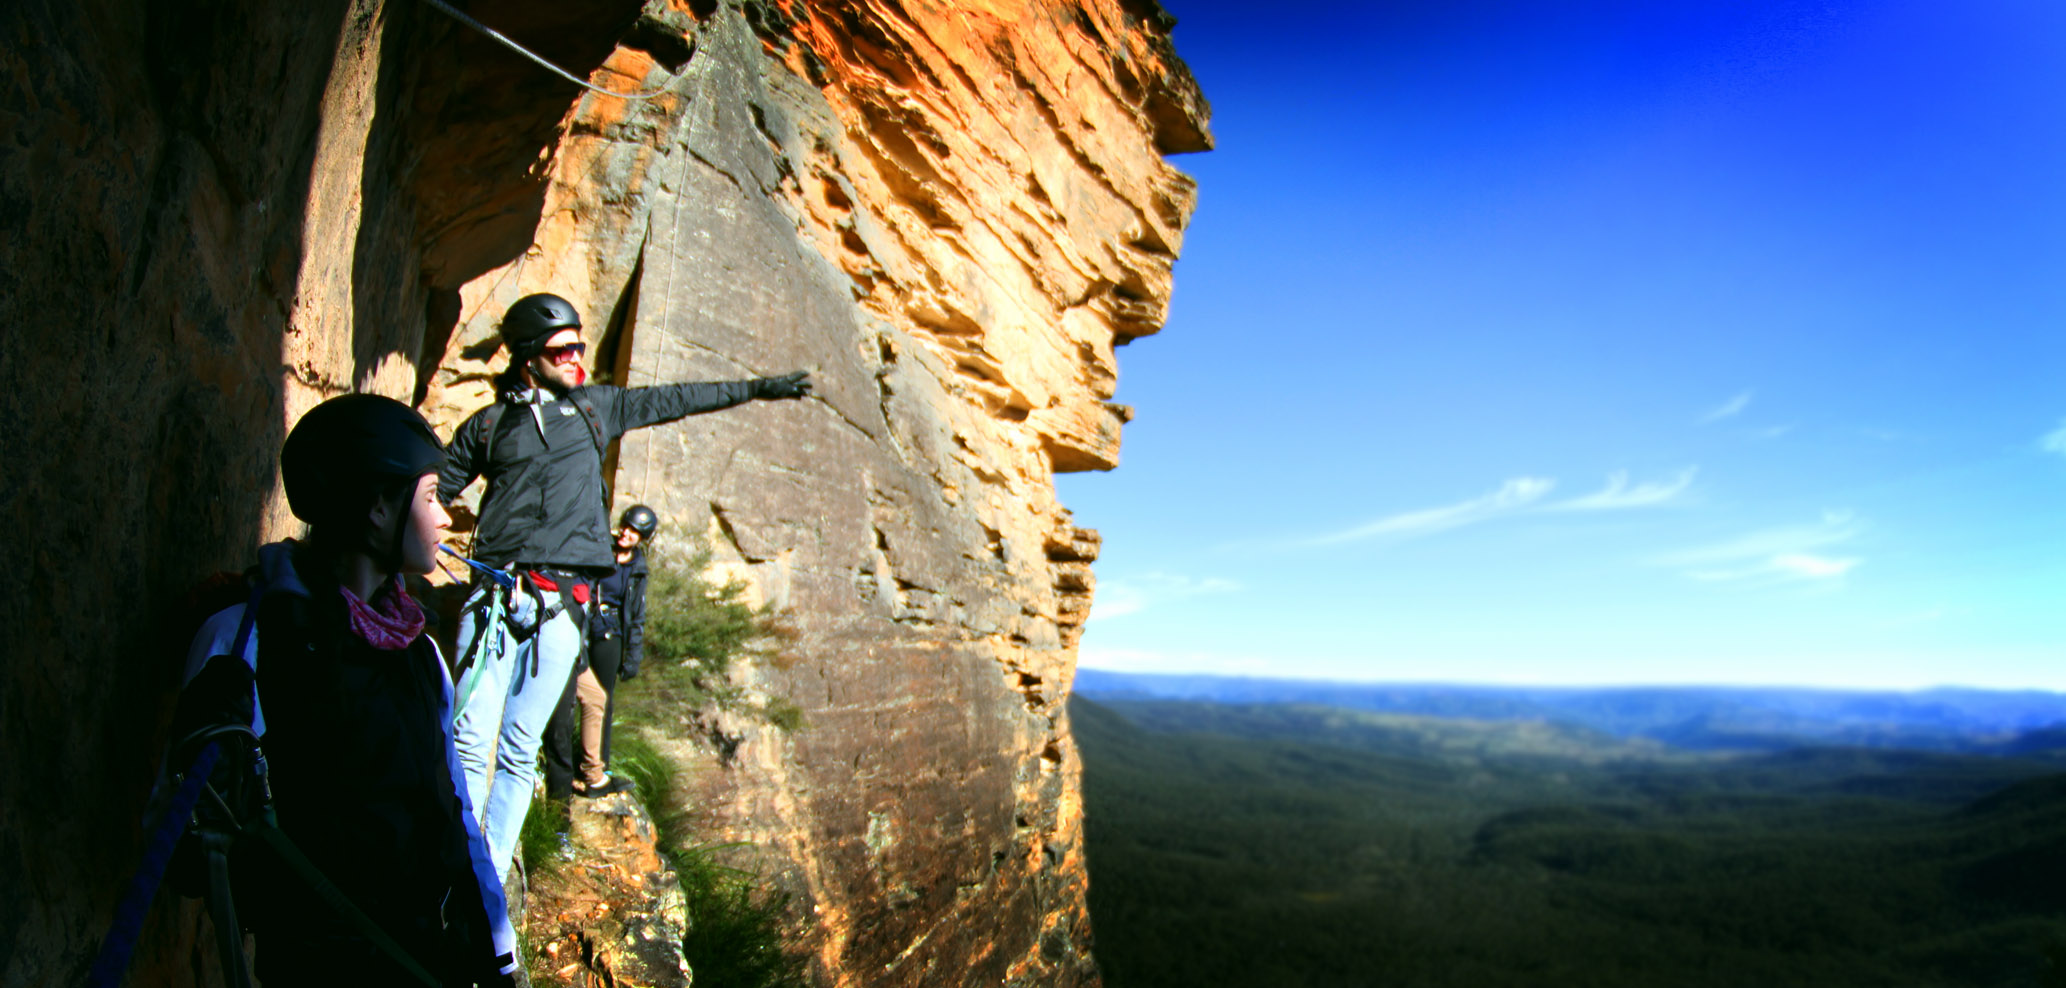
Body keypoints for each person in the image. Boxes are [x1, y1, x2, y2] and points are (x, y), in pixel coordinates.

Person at [441, 292, 810, 879]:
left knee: (514, 753)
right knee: (466, 742)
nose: (576, 355)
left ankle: (485, 887)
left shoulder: (595, 409)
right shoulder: (488, 425)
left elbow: (677, 400)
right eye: (562, 348)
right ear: (528, 357)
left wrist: (759, 388)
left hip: (562, 604)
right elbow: (433, 487)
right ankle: (452, 873)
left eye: (581, 345)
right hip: (494, 594)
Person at [180, 394, 517, 986]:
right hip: (321, 965)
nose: (446, 518)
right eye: (432, 496)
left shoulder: (419, 650)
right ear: (378, 508)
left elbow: (455, 805)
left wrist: (497, 944)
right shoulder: (247, 639)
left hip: (431, 952)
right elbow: (185, 836)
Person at [544, 504, 654, 799]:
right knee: (571, 693)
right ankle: (562, 757)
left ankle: (596, 767)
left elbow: (636, 614)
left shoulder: (637, 569)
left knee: (602, 698)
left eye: (634, 532)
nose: (627, 534)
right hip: (584, 624)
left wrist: (632, 655)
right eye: (626, 527)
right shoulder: (601, 549)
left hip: (610, 632)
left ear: (642, 539)